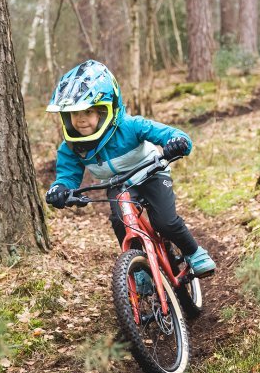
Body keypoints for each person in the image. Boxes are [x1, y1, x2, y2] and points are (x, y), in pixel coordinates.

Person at [43, 60, 216, 283]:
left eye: (88, 111)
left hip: (151, 172)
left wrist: (177, 142)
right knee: (120, 222)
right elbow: (67, 175)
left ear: (107, 110)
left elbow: (168, 133)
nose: (81, 119)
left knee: (165, 221)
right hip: (118, 184)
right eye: (74, 114)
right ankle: (140, 267)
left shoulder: (130, 125)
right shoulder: (72, 146)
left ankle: (193, 252)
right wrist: (60, 189)